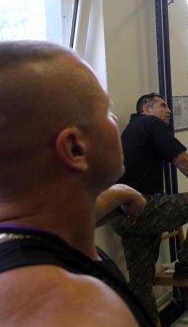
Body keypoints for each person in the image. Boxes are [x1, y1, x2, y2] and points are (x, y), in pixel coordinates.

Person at [0, 41, 154, 326]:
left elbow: (63, 221)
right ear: (75, 148)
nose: (115, 118)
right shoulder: (79, 310)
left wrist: (120, 192)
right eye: (106, 110)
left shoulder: (27, 231)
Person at [112, 92, 188, 323]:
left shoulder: (130, 131)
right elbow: (180, 158)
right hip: (143, 208)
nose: (168, 110)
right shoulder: (150, 123)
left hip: (121, 217)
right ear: (146, 109)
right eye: (162, 105)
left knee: (140, 285)